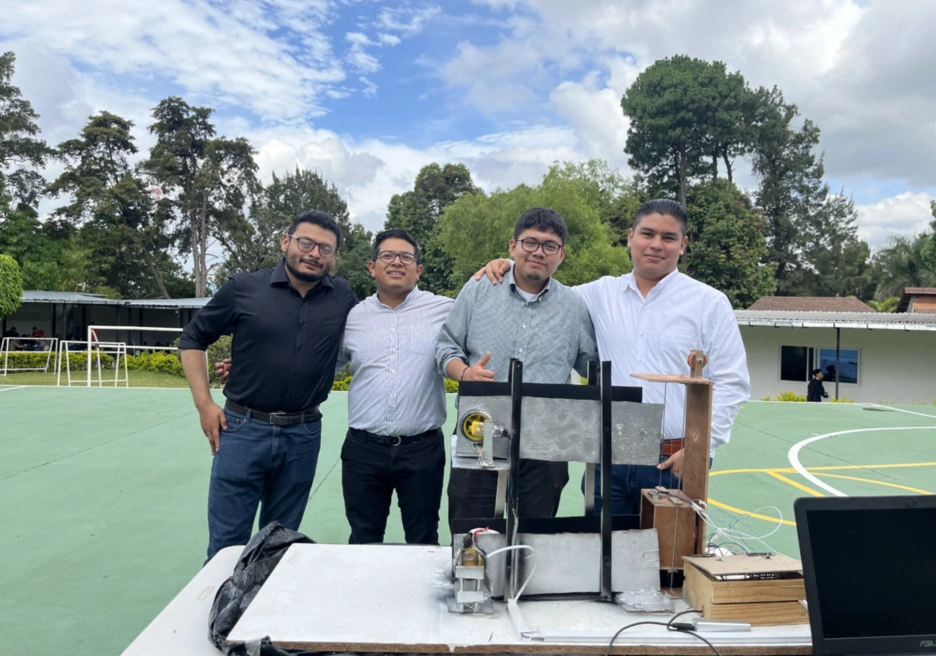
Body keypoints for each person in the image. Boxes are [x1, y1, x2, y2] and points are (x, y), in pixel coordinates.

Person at [475, 199, 750, 515]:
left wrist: (701, 448)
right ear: (630, 237)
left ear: (683, 245)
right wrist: (510, 264)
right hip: (609, 458)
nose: (656, 245)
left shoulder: (709, 303)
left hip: (675, 460)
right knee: (605, 558)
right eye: (647, 234)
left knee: (669, 561)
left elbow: (732, 382)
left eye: (669, 238)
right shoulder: (596, 295)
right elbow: (541, 287)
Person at [178, 209, 357, 560]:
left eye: (326, 249)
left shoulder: (342, 297)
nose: (314, 253)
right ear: (286, 241)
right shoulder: (244, 288)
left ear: (334, 257)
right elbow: (192, 339)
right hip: (242, 430)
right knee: (227, 546)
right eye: (306, 242)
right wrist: (204, 405)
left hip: (303, 435)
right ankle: (221, 613)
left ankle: (262, 612)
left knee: (278, 545)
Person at [436, 207, 598, 521]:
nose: (539, 252)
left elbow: (591, 368)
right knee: (472, 535)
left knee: (535, 539)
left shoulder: (574, 307)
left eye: (549, 246)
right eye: (530, 243)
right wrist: (466, 373)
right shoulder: (479, 289)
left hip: (547, 442)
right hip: (479, 433)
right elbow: (446, 346)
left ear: (561, 254)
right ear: (513, 246)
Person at [335, 229, 453, 545]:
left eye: (406, 257)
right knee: (363, 539)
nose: (397, 262)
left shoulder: (446, 310)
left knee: (423, 537)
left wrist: (500, 266)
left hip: (422, 450)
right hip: (363, 450)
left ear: (419, 269)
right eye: (387, 255)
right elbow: (324, 367)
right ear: (372, 266)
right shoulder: (353, 317)